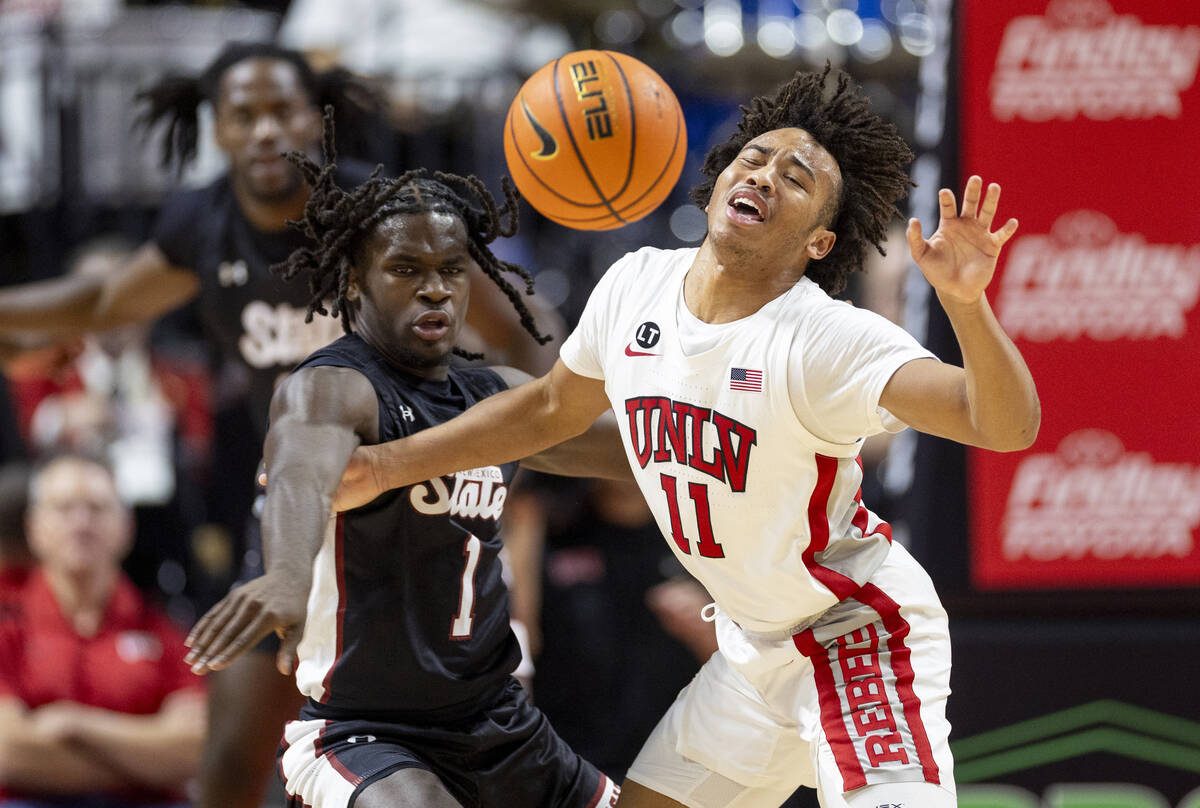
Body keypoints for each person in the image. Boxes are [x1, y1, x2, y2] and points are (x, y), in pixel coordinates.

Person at [320, 66, 1041, 808]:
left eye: (795, 178)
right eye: (753, 157)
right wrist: (383, 465)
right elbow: (547, 417)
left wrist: (967, 306)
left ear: (821, 240)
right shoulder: (636, 285)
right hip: (753, 652)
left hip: (854, 637)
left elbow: (1005, 425)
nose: (762, 175)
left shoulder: (825, 339)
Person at [183, 132, 627, 807]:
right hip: (366, 734)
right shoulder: (334, 386)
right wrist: (286, 574)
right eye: (407, 269)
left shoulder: (495, 396)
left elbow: (640, 450)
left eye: (452, 270)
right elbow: (302, 471)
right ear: (355, 278)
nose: (436, 291)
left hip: (499, 726)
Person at [0, 41, 388, 808]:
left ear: (315, 118)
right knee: (228, 766)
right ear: (218, 129)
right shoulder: (202, 220)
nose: (266, 129)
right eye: (243, 114)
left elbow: (505, 332)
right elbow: (107, 303)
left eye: (283, 109)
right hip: (288, 514)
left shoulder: (378, 214)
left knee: (391, 761)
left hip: (401, 515)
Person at [0, 453, 206, 807]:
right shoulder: (8, 626)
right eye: (64, 509)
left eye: (96, 508)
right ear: (34, 528)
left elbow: (191, 750)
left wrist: (75, 724)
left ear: (127, 526)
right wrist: (147, 763)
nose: (81, 523)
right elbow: (7, 752)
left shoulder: (166, 631)